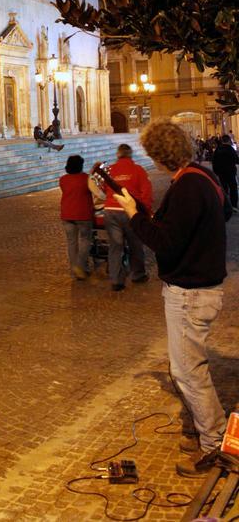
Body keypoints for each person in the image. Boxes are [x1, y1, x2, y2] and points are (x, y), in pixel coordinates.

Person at [114, 119, 231, 477]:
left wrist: (133, 215)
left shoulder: (188, 186)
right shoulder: (199, 175)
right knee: (187, 369)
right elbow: (218, 214)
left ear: (160, 155)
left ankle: (214, 443)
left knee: (188, 372)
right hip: (200, 287)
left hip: (191, 292)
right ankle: (203, 430)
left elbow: (164, 241)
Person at [101, 143, 153, 291]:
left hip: (111, 210)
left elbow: (104, 188)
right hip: (130, 211)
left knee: (115, 246)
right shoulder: (138, 170)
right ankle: (138, 274)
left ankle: (116, 280)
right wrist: (146, 211)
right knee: (135, 244)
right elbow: (146, 192)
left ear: (118, 155)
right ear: (130, 155)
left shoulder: (110, 170)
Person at [59, 155, 96, 280]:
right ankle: (80, 266)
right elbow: (96, 191)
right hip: (83, 214)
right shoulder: (86, 179)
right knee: (85, 239)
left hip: (67, 214)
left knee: (71, 242)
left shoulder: (63, 179)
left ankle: (74, 269)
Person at [212, 134, 238, 209]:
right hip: (231, 173)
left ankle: (225, 205)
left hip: (221, 173)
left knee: (224, 189)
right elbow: (236, 160)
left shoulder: (218, 149)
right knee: (233, 188)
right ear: (229, 140)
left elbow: (214, 161)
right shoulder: (231, 149)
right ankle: (234, 205)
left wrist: (216, 172)